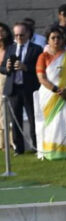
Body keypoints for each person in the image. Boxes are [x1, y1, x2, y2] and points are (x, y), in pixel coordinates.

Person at [35, 27, 66, 160]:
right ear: (48, 40)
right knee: (53, 123)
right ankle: (53, 152)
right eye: (53, 38)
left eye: (59, 38)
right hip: (50, 94)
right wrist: (56, 90)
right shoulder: (43, 56)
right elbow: (41, 78)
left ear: (63, 40)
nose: (56, 40)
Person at [0, 22, 43, 155]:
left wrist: (26, 68)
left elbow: (40, 68)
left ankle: (37, 146)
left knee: (33, 119)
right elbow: (1, 68)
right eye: (16, 35)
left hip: (29, 88)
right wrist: (7, 68)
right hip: (14, 89)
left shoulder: (36, 49)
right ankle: (19, 148)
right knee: (15, 120)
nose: (19, 37)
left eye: (21, 35)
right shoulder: (10, 48)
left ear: (28, 34)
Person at [0, 23, 12, 151]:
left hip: (5, 80)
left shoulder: (11, 48)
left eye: (2, 31)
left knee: (4, 111)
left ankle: (8, 142)